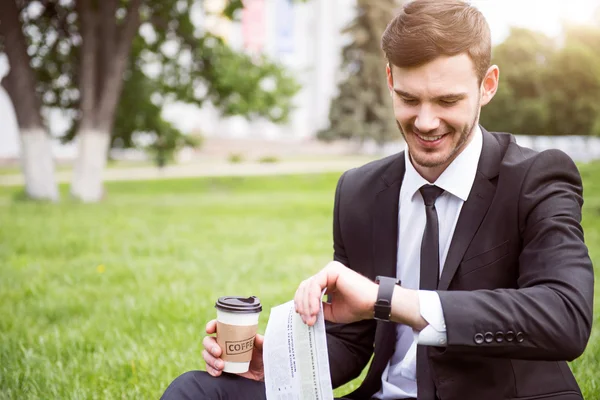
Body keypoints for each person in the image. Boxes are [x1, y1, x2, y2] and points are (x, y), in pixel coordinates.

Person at [161, 0, 594, 399]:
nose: (426, 122)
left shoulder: (537, 177)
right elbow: (355, 338)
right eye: (409, 98)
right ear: (389, 79)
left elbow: (564, 317)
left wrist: (387, 300)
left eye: (447, 100)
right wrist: (278, 364)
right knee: (196, 391)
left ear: (488, 85)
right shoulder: (359, 191)